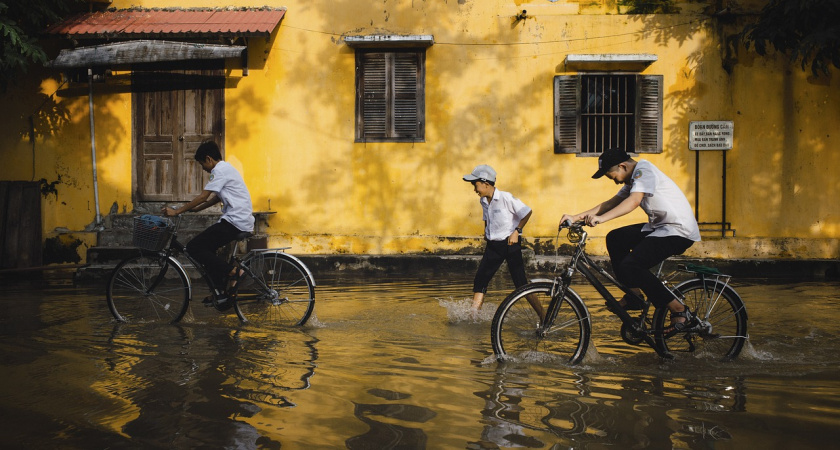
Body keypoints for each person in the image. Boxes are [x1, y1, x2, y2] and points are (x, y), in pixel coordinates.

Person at [559, 148, 701, 333]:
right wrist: (576, 217)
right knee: (616, 238)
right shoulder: (634, 177)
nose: (615, 182)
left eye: (613, 177)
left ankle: (678, 309)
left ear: (623, 166)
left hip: (678, 231)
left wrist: (601, 219)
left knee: (632, 266)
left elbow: (633, 201)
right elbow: (611, 203)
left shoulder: (644, 171)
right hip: (661, 227)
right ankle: (634, 295)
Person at [162, 140, 254, 308]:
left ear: (209, 159)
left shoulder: (219, 171)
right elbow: (217, 197)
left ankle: (234, 272)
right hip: (239, 220)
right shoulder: (227, 169)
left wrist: (177, 211)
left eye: (202, 164)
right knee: (208, 250)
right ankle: (219, 292)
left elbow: (204, 196)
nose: (203, 168)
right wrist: (197, 210)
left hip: (235, 221)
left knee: (193, 247)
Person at [463, 165, 544, 320]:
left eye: (475, 185)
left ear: (486, 184)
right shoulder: (483, 200)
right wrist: (487, 232)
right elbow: (487, 218)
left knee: (521, 284)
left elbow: (527, 212)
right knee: (480, 280)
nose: (474, 189)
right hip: (493, 246)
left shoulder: (506, 197)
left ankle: (543, 315)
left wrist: (517, 231)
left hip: (510, 244)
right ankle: (473, 318)